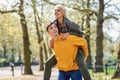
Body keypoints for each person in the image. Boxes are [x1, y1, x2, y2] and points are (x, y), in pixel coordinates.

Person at [43, 5, 91, 80]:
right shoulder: (55, 23)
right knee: (47, 63)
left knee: (81, 63)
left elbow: (81, 34)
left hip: (76, 46)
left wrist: (69, 33)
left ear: (63, 13)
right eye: (55, 10)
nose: (56, 12)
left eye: (58, 10)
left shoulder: (69, 23)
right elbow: (52, 31)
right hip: (63, 62)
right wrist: (51, 39)